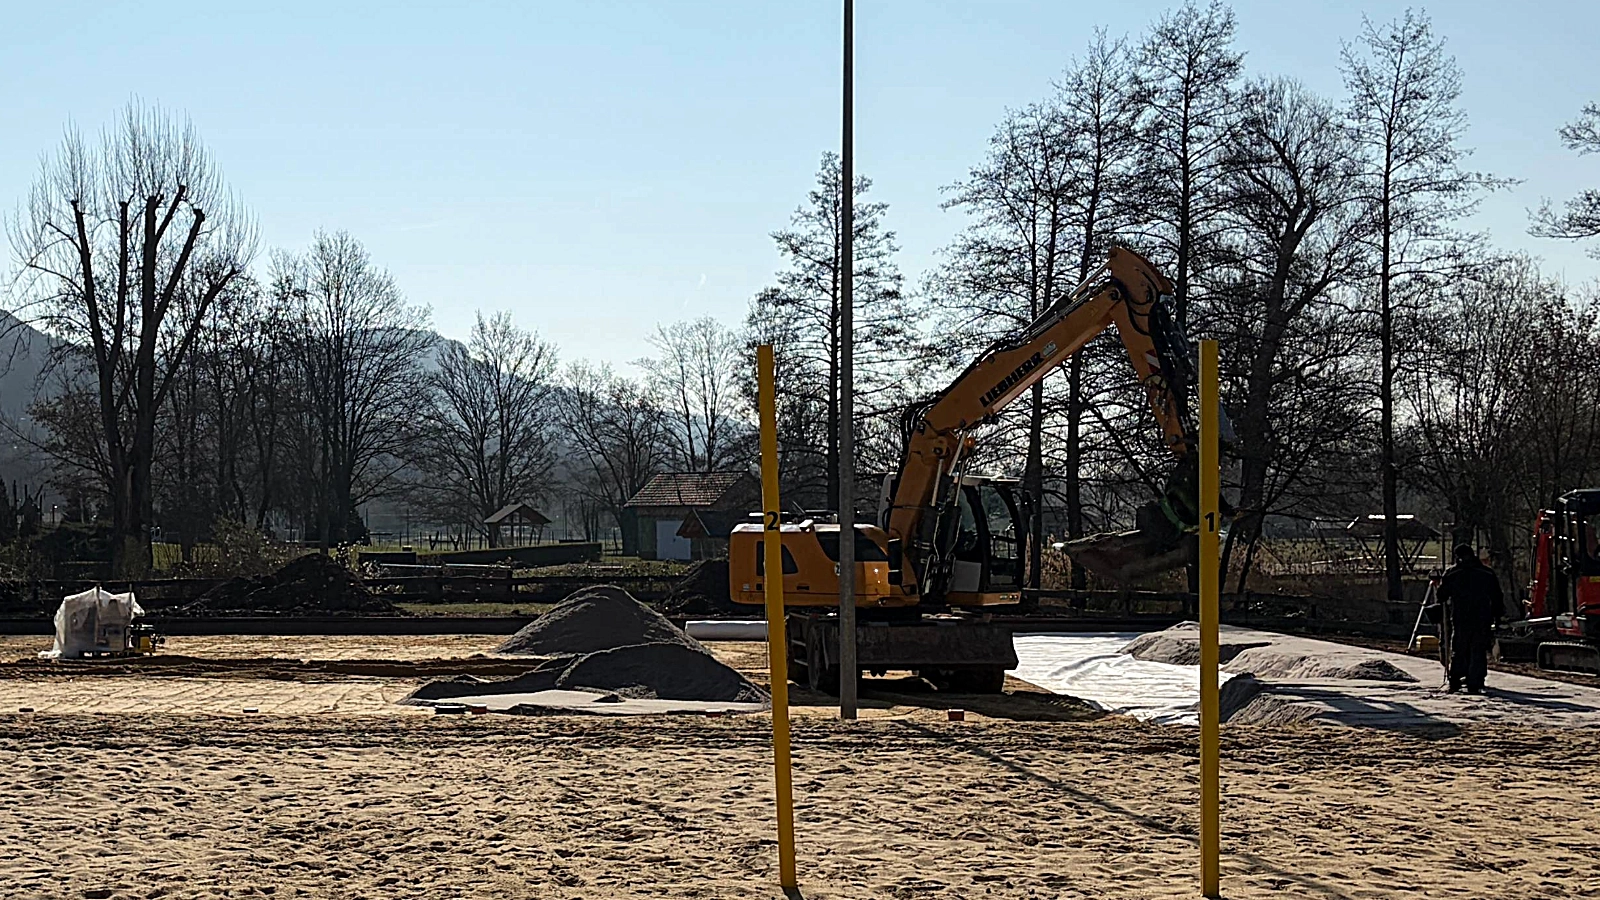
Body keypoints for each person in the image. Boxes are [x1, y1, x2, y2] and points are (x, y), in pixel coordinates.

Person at [1437, 543, 1504, 694]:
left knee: (1459, 648)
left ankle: (1456, 679)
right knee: (1478, 649)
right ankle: (1476, 681)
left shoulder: (1453, 573)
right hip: (1482, 616)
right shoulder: (1486, 573)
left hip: (1461, 616)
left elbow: (1441, 595)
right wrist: (1498, 615)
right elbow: (1497, 596)